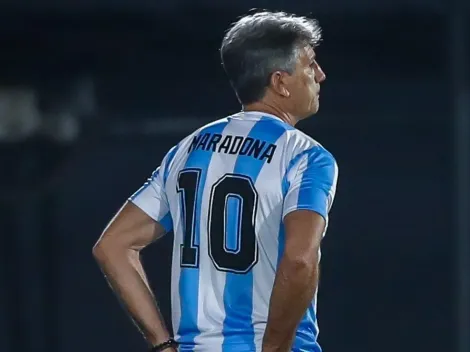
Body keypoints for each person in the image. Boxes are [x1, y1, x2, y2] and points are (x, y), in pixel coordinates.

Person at [93, 10, 338, 352]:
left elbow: (113, 246)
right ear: (280, 82)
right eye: (310, 64)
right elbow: (300, 259)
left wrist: (162, 345)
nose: (320, 75)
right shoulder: (305, 156)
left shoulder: (188, 148)